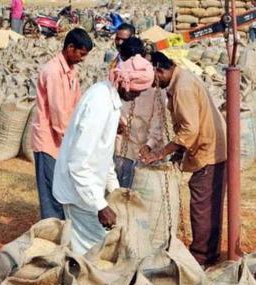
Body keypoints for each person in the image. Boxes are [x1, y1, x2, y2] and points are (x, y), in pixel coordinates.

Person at [53, 55, 154, 255]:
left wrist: (115, 191)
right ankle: (88, 283)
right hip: (79, 190)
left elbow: (103, 155)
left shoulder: (109, 98)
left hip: (89, 189)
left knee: (96, 247)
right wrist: (101, 206)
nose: (138, 96)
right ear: (127, 84)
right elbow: (79, 163)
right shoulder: (99, 104)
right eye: (138, 91)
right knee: (95, 250)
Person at [141, 52, 227, 268]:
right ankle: (208, 253)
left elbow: (189, 129)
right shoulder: (181, 80)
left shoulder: (183, 87)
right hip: (208, 145)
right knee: (208, 203)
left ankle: (201, 258)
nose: (152, 84)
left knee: (202, 205)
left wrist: (161, 153)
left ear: (160, 70)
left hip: (209, 149)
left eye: (153, 78)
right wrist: (179, 152)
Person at [32, 28, 93, 220]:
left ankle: (61, 229)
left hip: (64, 140)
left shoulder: (71, 71)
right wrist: (71, 139)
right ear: (70, 47)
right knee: (51, 192)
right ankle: (52, 234)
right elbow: (57, 111)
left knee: (62, 188)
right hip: (49, 141)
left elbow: (76, 103)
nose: (82, 59)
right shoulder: (53, 72)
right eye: (80, 54)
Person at [114, 37, 165, 188]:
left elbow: (158, 123)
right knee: (120, 191)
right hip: (122, 146)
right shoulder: (120, 78)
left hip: (146, 149)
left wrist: (149, 145)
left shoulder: (154, 85)